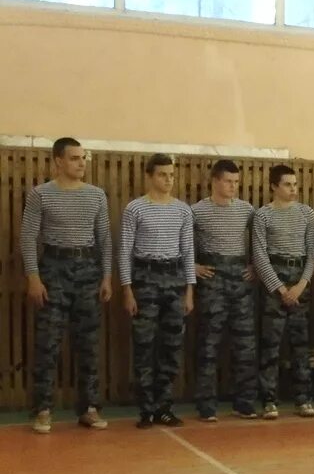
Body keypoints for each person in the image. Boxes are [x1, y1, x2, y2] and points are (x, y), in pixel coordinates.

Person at [21, 136, 112, 434]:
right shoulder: (41, 194)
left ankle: (89, 407)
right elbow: (28, 237)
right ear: (58, 161)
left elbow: (105, 240)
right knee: (48, 343)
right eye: (74, 158)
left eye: (83, 158)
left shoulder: (97, 195)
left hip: (88, 269)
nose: (81, 163)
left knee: (88, 343)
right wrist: (33, 277)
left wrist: (106, 276)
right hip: (53, 270)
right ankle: (43, 409)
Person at [119, 153, 195, 428]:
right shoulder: (135, 208)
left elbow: (188, 252)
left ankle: (164, 405)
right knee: (144, 345)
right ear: (149, 176)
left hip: (174, 279)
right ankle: (146, 408)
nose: (168, 180)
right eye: (162, 175)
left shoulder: (183, 210)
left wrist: (189, 291)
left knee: (172, 346)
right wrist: (127, 289)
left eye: (171, 175)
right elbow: (125, 251)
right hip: (145, 279)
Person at [191, 159, 257, 422]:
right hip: (212, 278)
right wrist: (192, 266)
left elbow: (261, 241)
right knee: (209, 342)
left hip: (240, 278)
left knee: (245, 343)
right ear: (215, 181)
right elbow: (184, 241)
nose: (233, 186)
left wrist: (254, 266)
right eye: (228, 181)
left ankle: (245, 402)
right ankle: (206, 405)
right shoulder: (197, 211)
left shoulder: (247, 210)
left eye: (236, 182)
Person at [252, 164, 314, 420]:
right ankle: (269, 399)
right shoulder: (263, 215)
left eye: (295, 184)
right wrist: (279, 288)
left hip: (300, 279)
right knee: (271, 344)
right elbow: (259, 256)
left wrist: (301, 285)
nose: (293, 189)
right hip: (274, 283)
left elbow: (312, 254)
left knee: (301, 345)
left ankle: (304, 399)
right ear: (274, 187)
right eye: (287, 184)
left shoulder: (307, 214)